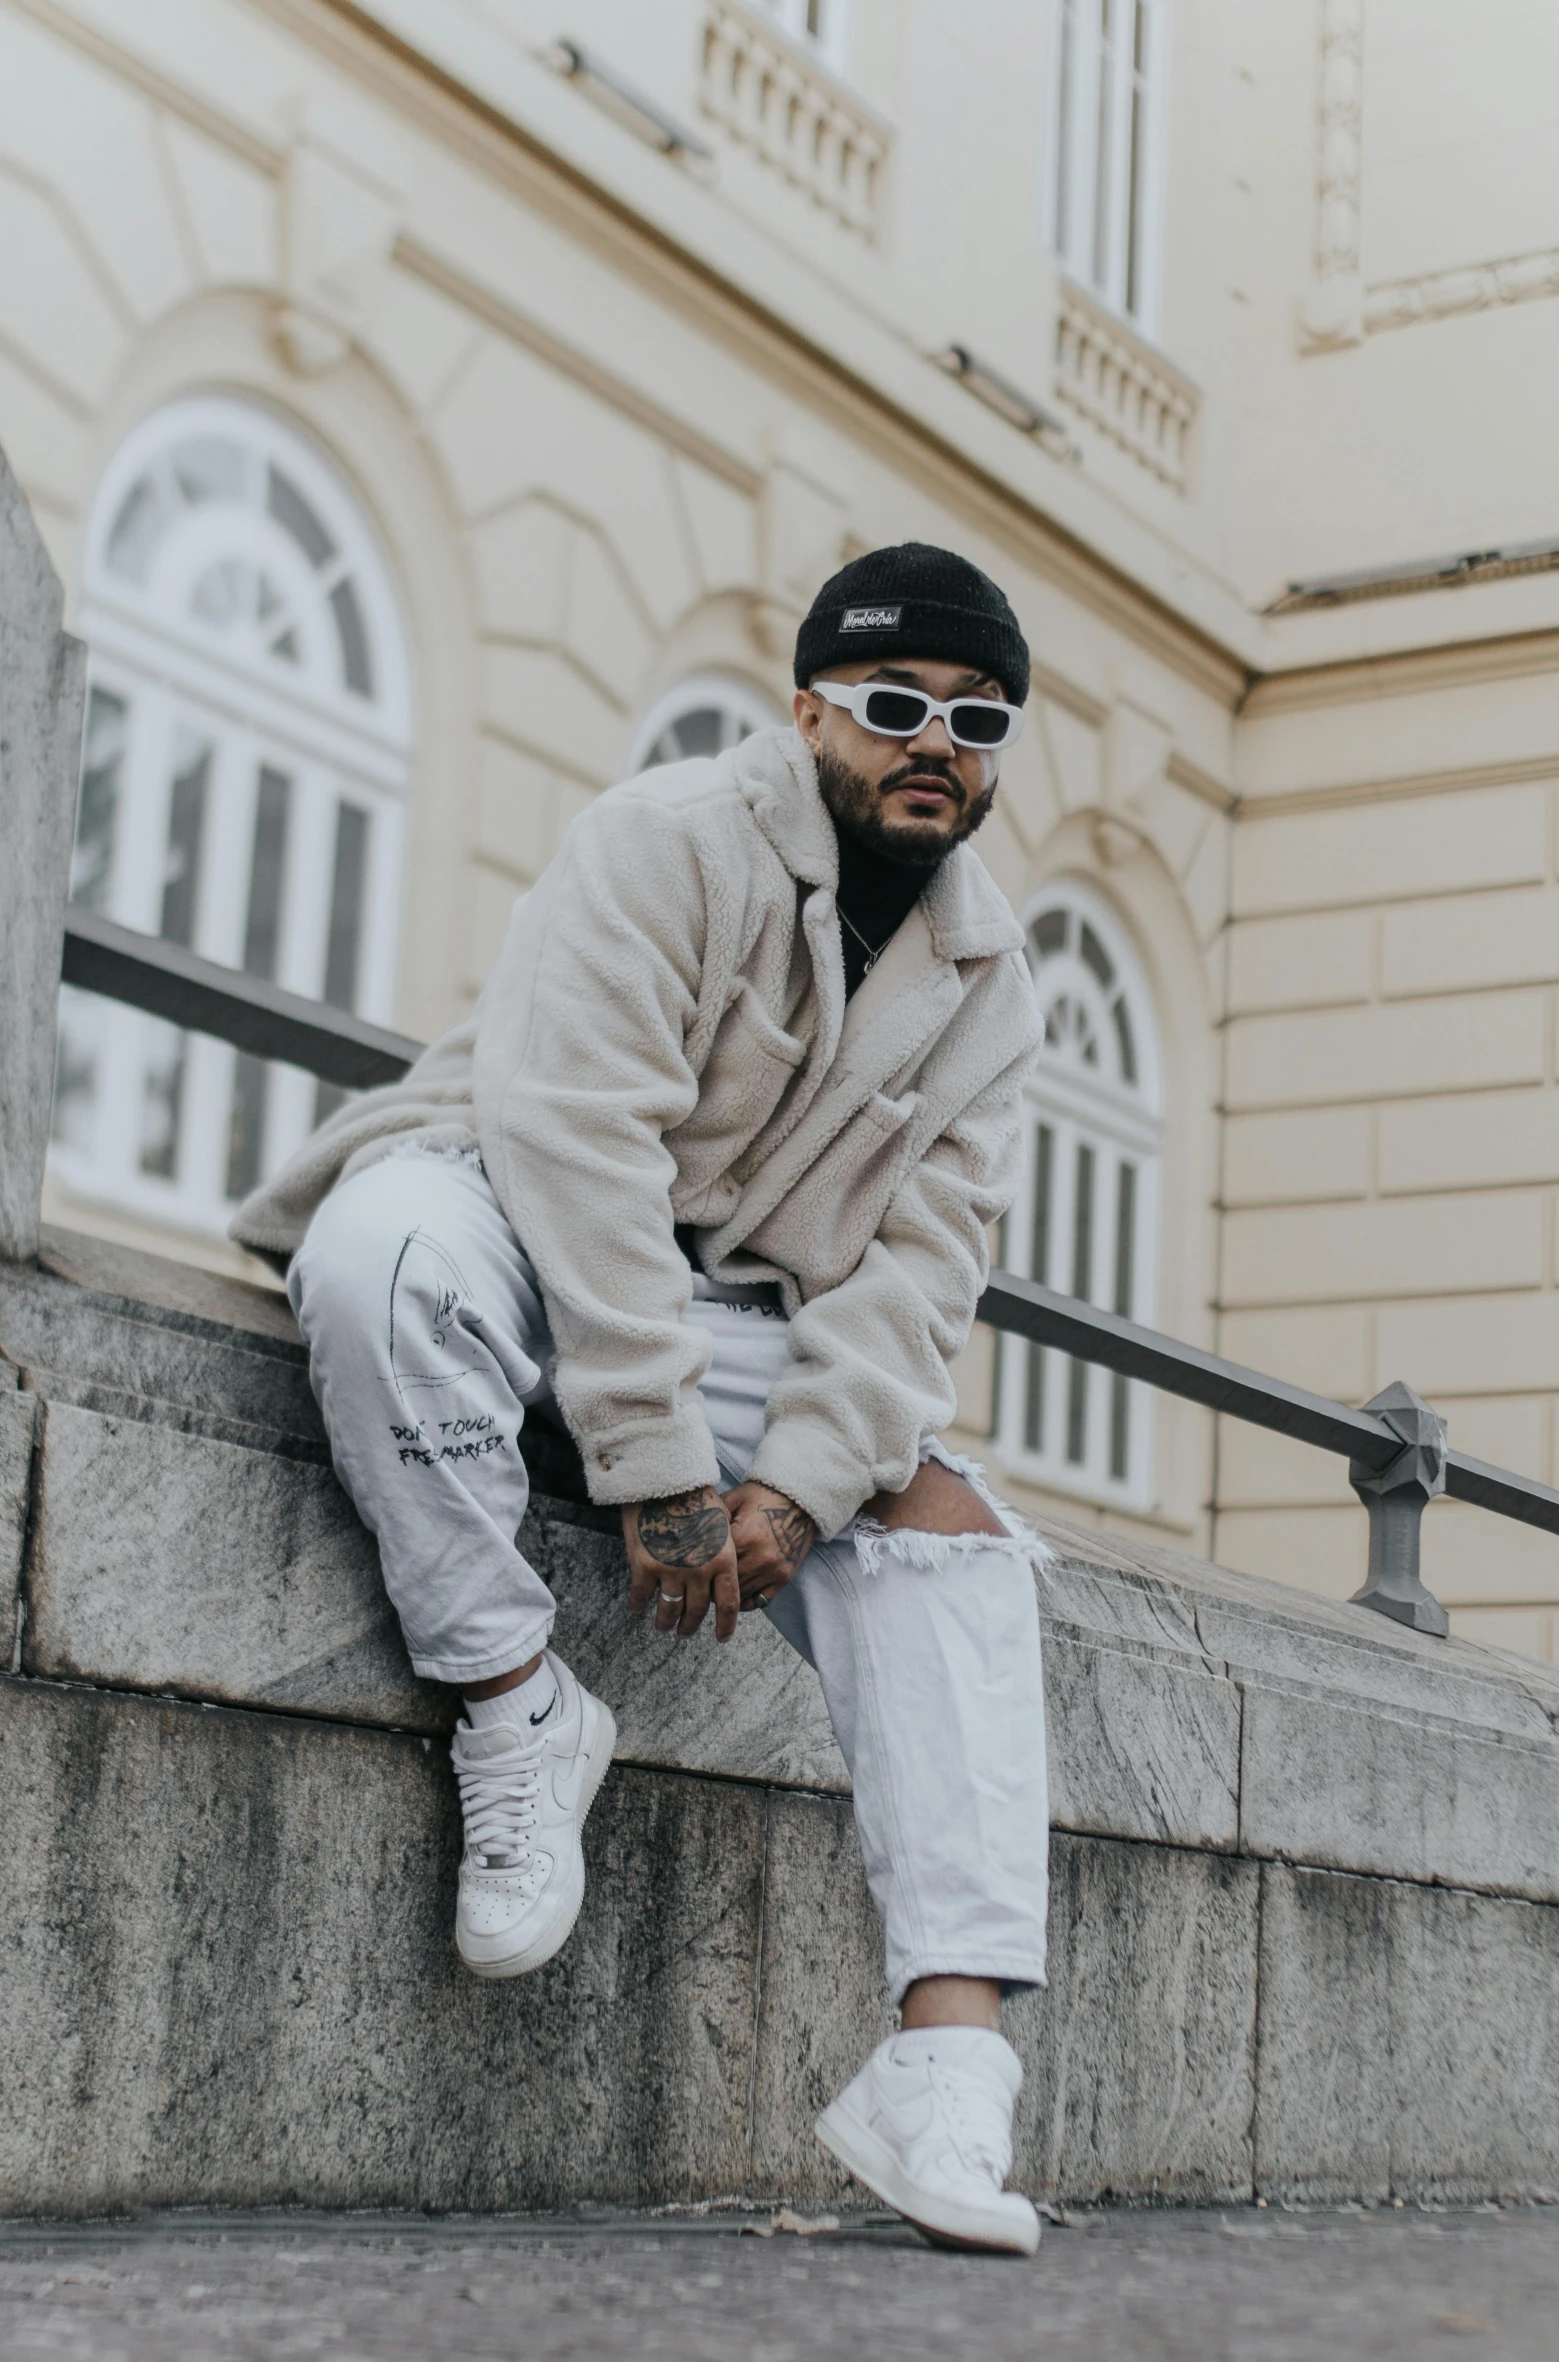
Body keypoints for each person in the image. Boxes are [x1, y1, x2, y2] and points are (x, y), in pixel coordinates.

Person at [233, 543, 1052, 2255]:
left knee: (958, 1538)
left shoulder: (995, 986)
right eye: (895, 705)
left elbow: (920, 1273)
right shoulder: (664, 839)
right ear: (812, 706)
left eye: (976, 720)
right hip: (512, 1213)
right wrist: (661, 1459)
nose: (934, 742)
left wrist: (810, 1481)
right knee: (376, 1261)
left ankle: (947, 2063)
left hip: (746, 1314)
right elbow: (573, 1141)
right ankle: (515, 1697)